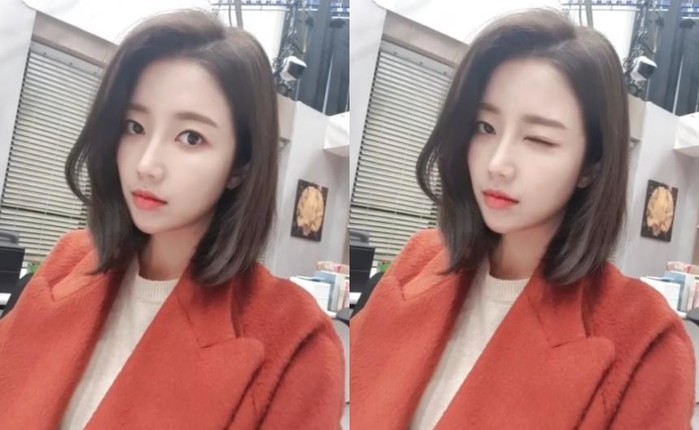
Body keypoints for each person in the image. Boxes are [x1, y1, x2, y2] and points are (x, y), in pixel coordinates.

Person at [350, 8, 695, 430]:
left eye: (538, 139)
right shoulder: (418, 261)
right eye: (485, 127)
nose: (498, 164)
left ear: (591, 165)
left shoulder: (645, 341)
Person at [0, 9, 344, 429]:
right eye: (134, 126)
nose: (147, 164)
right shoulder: (69, 262)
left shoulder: (294, 339)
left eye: (191, 137)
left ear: (240, 165)